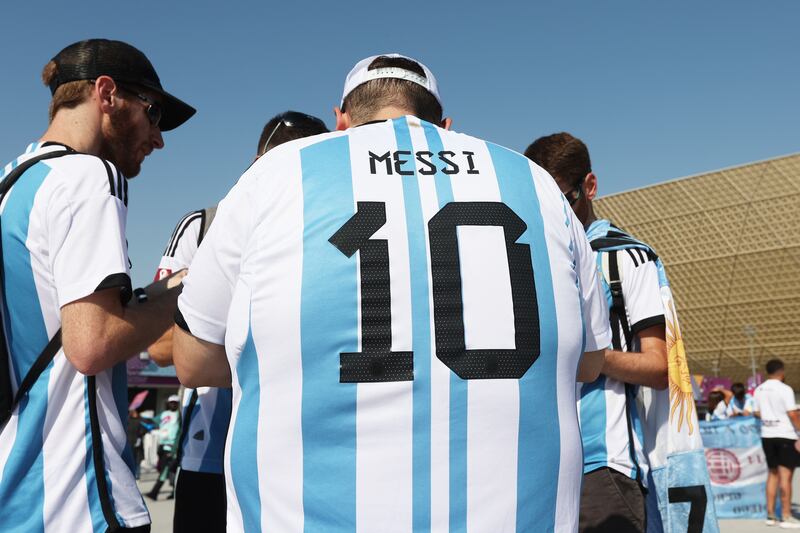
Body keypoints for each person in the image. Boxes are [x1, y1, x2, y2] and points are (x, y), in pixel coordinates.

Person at [171, 53, 610, 532]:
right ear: (445, 124)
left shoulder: (277, 173)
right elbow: (588, 363)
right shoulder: (536, 183)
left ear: (341, 119)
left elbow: (193, 361)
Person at [0, 39, 194, 532]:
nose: (158, 138)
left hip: (16, 492)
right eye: (152, 115)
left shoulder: (12, 185)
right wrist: (187, 287)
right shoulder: (89, 176)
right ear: (106, 94)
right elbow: (92, 343)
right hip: (79, 499)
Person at [146, 111, 329, 532]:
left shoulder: (327, 227)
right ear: (256, 163)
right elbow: (160, 349)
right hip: (211, 454)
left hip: (300, 457)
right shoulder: (205, 225)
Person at [526, 133, 669, 532]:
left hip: (602, 466)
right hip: (534, 464)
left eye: (563, 200)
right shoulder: (526, 256)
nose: (554, 215)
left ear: (589, 186)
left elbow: (659, 367)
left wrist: (586, 353)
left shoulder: (627, 256)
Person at [753, 359, 800, 528]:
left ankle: (771, 515)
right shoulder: (785, 389)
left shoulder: (759, 389)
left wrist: (769, 417)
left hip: (767, 435)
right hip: (785, 435)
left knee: (772, 475)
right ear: (782, 372)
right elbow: (793, 414)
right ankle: (786, 516)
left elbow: (756, 411)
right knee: (786, 477)